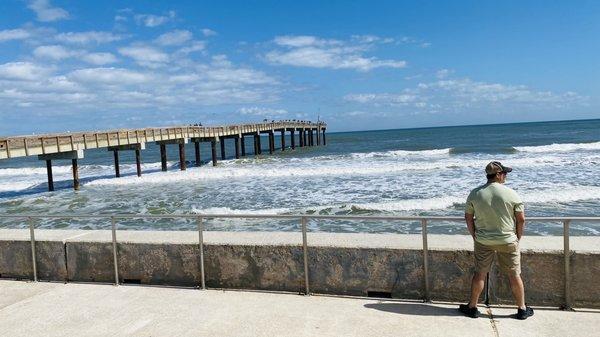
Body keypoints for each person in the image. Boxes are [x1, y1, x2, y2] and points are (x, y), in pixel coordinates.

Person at [459, 161, 534, 320]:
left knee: (479, 274)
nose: (506, 176)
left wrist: (475, 235)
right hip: (508, 240)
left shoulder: (475, 193)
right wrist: (517, 237)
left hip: (483, 241)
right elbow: (521, 220)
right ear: (498, 175)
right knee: (514, 275)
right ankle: (521, 309)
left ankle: (472, 307)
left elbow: (468, 218)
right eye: (504, 173)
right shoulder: (511, 193)